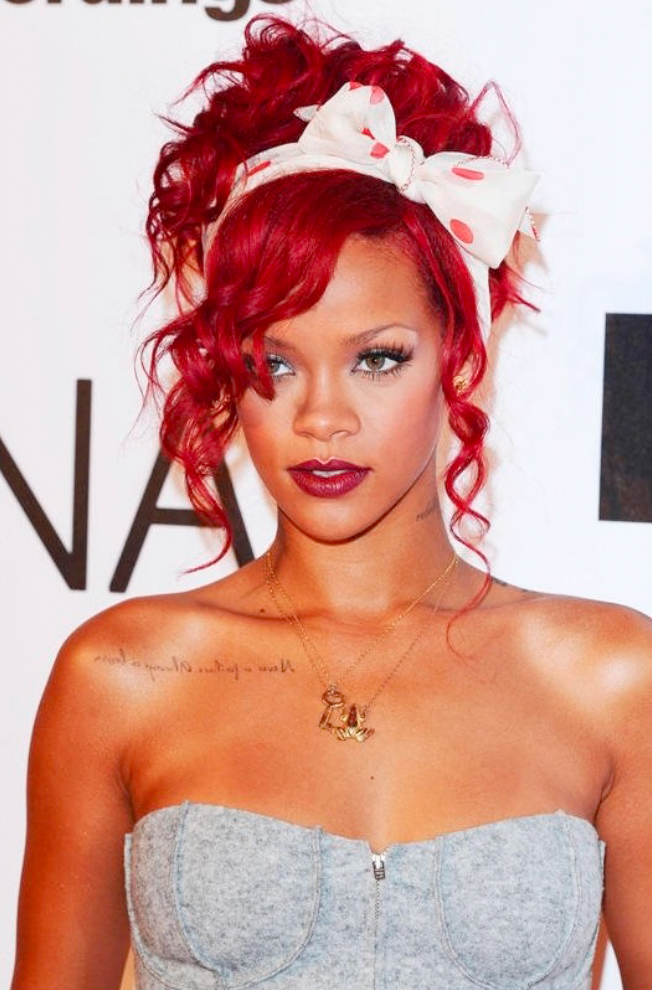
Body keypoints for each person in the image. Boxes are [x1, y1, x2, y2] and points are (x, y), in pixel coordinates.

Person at [10, 15, 651, 990]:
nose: (320, 418)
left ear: (461, 359)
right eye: (274, 363)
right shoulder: (121, 677)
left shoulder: (610, 680)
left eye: (377, 359)